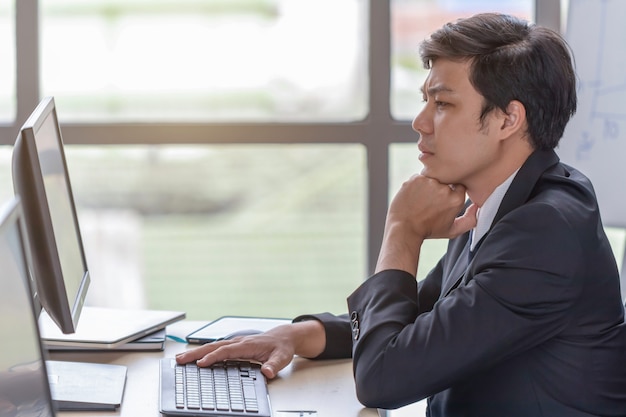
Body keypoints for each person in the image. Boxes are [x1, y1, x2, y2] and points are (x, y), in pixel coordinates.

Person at [176, 12, 626, 416]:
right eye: (426, 100)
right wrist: (300, 336)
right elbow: (423, 318)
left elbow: (383, 380)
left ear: (509, 120)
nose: (421, 122)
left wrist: (403, 232)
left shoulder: (546, 231)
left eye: (443, 104)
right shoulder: (504, 202)